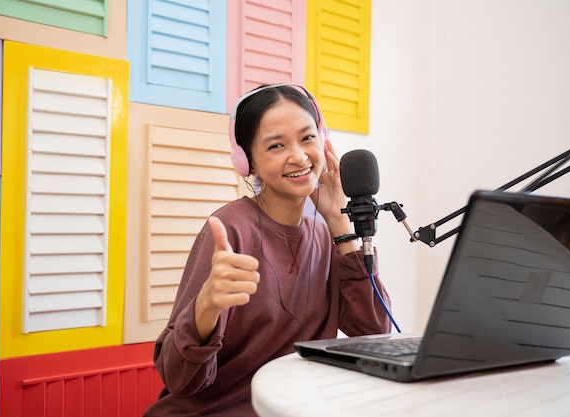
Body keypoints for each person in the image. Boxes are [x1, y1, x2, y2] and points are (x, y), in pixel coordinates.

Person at [143, 84, 393, 416]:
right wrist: (206, 306)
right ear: (248, 163)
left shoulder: (325, 235)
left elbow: (373, 333)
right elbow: (179, 378)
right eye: (276, 145)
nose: (299, 156)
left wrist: (338, 223)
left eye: (307, 138)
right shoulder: (230, 229)